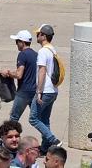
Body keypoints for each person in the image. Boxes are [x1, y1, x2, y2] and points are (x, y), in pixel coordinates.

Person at [30, 24, 61, 153]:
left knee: (33, 118)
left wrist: (39, 92)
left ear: (43, 36)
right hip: (53, 90)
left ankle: (53, 140)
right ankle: (45, 147)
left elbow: (42, 71)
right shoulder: (52, 50)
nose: (36, 36)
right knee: (44, 119)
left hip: (45, 90)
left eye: (38, 34)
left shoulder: (43, 51)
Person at [1, 30, 37, 122]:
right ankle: (48, 136)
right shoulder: (36, 54)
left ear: (22, 42)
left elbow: (19, 74)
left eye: (17, 41)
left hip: (24, 91)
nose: (16, 44)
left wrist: (7, 72)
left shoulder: (22, 54)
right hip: (34, 91)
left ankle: (11, 136)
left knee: (14, 117)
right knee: (37, 119)